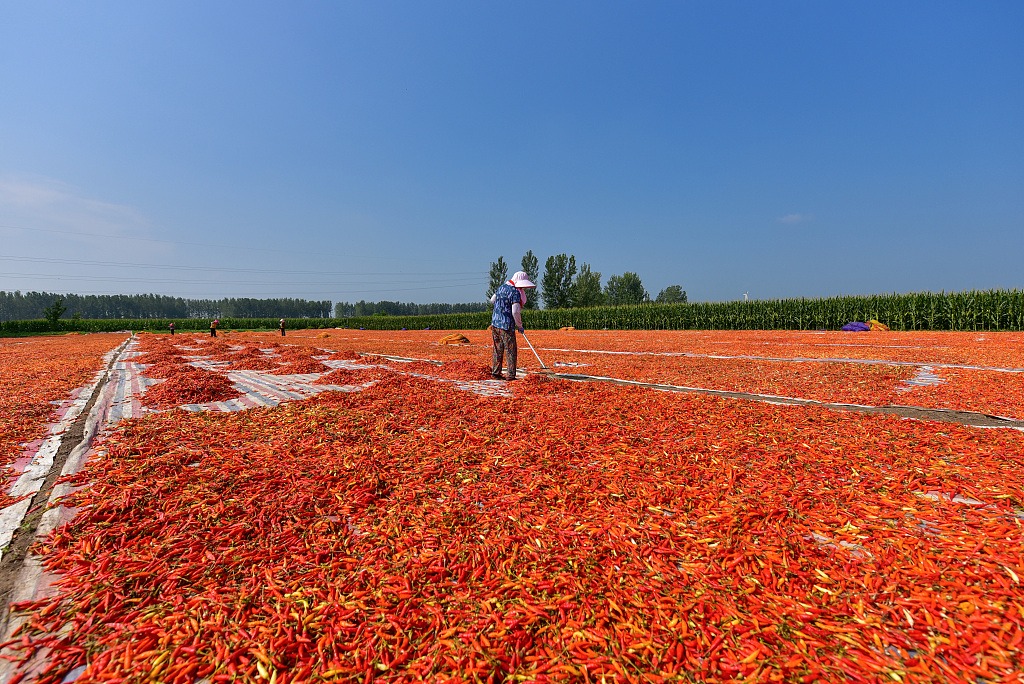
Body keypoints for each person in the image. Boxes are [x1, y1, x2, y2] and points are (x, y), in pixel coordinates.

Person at [489, 271, 535, 380]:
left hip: (495, 324)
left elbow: (492, 300)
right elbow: (515, 312)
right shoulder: (514, 292)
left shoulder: (501, 288)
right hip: (506, 325)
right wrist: (519, 325)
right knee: (511, 350)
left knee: (497, 349)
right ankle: (510, 375)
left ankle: (496, 373)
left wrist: (501, 306)